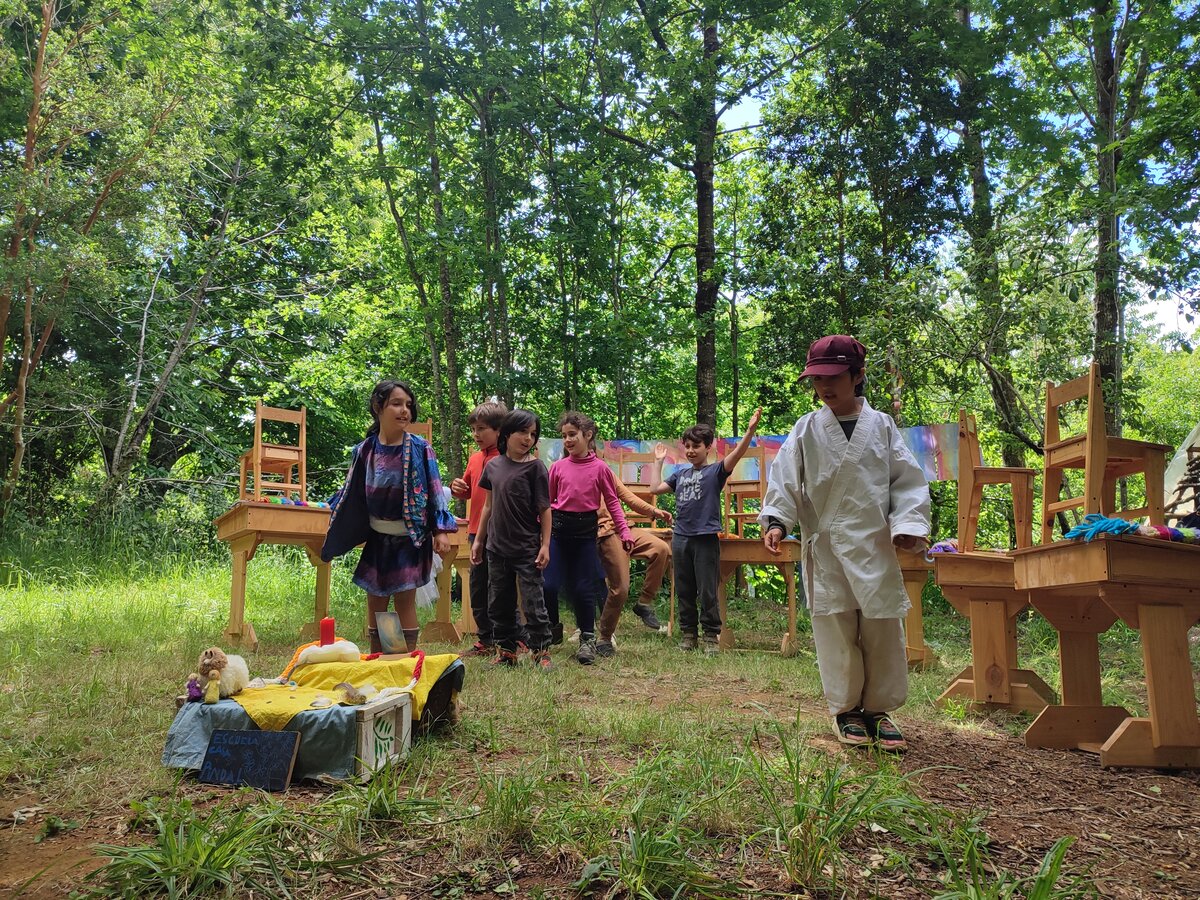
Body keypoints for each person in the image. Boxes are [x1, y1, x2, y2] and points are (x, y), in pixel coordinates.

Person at [758, 335, 929, 752]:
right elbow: (785, 479)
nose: (825, 387)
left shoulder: (882, 426)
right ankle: (846, 709)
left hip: (874, 543)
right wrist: (777, 520)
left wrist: (908, 524)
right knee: (835, 628)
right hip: (827, 546)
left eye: (834, 377)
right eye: (817, 379)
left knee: (882, 627)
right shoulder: (806, 429)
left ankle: (879, 710)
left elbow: (906, 481)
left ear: (857, 376)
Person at [322, 379, 457, 654]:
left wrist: (440, 530)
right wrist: (338, 515)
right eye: (396, 403)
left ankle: (403, 659)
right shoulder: (364, 450)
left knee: (404, 599)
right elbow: (352, 491)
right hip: (377, 538)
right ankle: (381, 655)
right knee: (376, 599)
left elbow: (434, 491)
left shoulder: (420, 448)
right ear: (378, 406)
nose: (404, 410)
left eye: (408, 405)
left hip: (410, 539)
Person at [651, 408, 762, 654]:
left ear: (708, 447)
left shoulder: (716, 472)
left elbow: (738, 453)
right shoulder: (680, 474)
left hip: (705, 538)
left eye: (696, 446)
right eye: (687, 446)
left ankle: (711, 636)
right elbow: (654, 489)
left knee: (707, 590)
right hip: (681, 537)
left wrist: (750, 431)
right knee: (684, 589)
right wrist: (658, 462)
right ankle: (688, 635)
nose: (691, 450)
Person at [544, 412, 633, 665]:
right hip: (559, 533)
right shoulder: (557, 468)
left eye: (572, 435)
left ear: (588, 435)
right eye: (564, 436)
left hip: (585, 535)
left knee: (585, 588)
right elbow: (548, 503)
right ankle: (552, 626)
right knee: (548, 584)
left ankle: (587, 639)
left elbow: (613, 503)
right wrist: (541, 533)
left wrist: (625, 531)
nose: (567, 440)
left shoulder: (600, 469)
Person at [470, 409, 554, 669]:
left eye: (533, 434)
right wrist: (479, 541)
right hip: (496, 548)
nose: (528, 438)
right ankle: (507, 652)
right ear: (507, 434)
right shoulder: (493, 466)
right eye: (523, 432)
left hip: (527, 548)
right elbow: (488, 506)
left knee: (533, 602)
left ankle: (541, 652)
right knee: (499, 602)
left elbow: (545, 509)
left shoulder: (536, 468)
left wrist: (545, 545)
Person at [593, 446, 673, 658]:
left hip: (624, 528)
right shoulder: (571, 473)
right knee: (621, 586)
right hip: (604, 534)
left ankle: (644, 603)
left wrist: (654, 511)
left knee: (661, 549)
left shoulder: (605, 472)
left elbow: (629, 498)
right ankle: (604, 637)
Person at [451, 400, 508, 658]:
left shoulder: (508, 459)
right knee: (477, 586)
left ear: (499, 430)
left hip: (501, 532)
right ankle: (485, 639)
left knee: (500, 587)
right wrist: (457, 489)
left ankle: (507, 639)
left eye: (482, 429)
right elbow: (467, 491)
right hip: (475, 532)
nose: (476, 434)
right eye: (473, 429)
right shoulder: (475, 458)